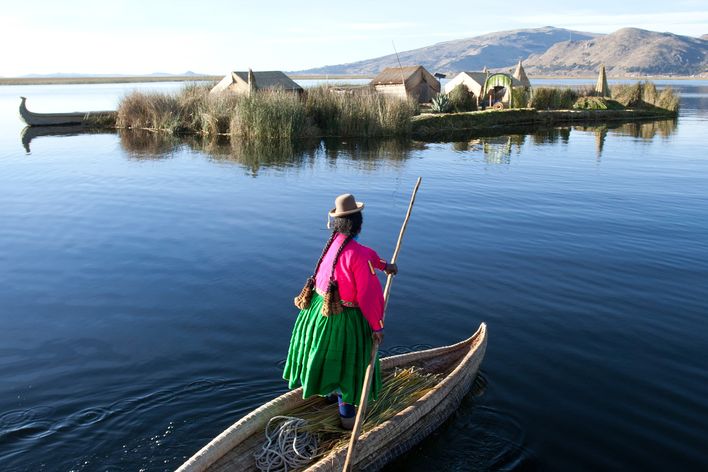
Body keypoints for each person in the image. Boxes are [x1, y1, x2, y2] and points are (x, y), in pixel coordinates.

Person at [283, 193, 398, 429]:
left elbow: (368, 257)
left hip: (318, 314)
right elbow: (367, 295)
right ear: (358, 224)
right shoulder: (358, 253)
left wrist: (385, 266)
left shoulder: (333, 245)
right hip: (343, 320)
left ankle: (327, 397)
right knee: (349, 368)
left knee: (327, 361)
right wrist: (376, 327)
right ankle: (347, 426)